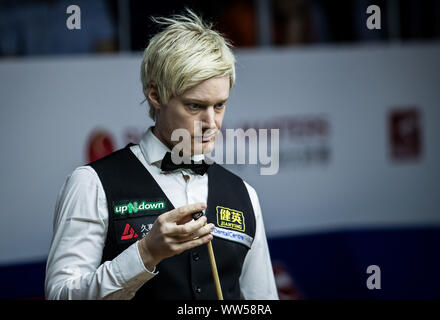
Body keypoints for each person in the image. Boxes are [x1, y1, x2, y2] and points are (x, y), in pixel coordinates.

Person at [45, 9, 278, 300]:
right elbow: (60, 296)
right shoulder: (91, 184)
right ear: (155, 95)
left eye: (219, 106)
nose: (211, 123)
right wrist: (145, 253)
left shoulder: (244, 194)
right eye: (194, 106)